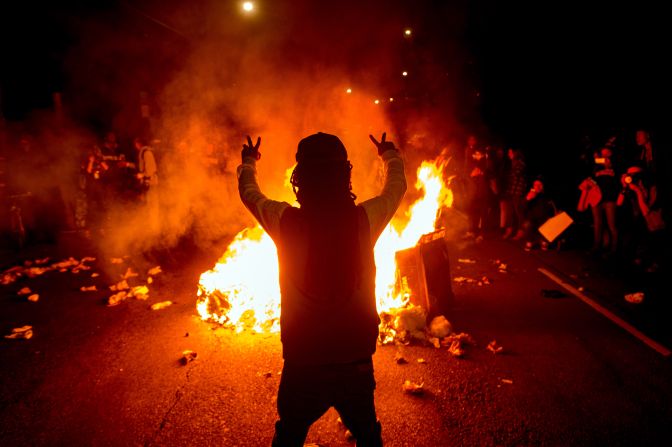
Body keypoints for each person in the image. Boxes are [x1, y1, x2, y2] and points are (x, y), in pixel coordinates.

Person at [237, 132, 406, 446]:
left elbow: (249, 193)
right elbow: (396, 189)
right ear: (345, 175)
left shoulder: (284, 220)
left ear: (299, 179)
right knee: (368, 436)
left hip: (303, 362)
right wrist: (389, 155)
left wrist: (249, 162)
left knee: (289, 435)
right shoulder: (364, 220)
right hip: (354, 361)